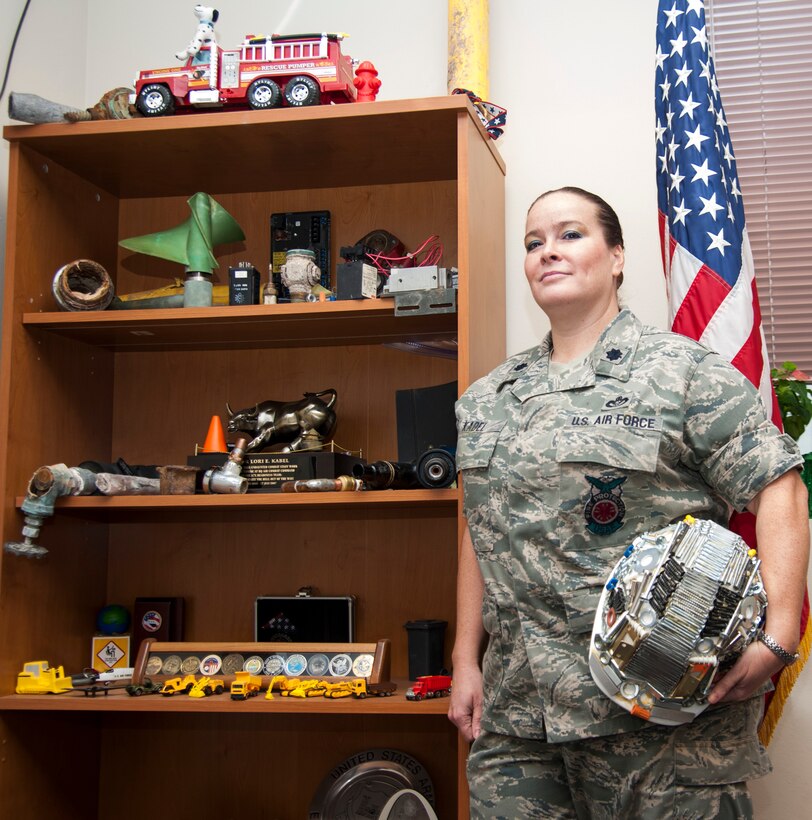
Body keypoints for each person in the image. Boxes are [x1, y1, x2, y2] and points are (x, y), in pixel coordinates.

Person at [448, 186, 810, 818]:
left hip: (662, 721)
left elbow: (780, 485)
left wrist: (779, 632)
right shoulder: (486, 401)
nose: (546, 253)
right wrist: (463, 660)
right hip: (519, 723)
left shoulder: (683, 373)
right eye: (533, 243)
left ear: (617, 256)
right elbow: (479, 530)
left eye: (569, 235)